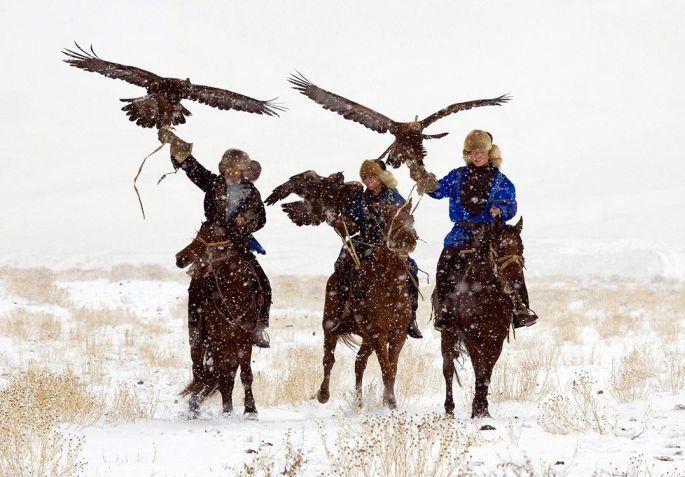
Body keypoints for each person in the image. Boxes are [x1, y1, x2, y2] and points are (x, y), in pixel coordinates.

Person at [158, 129, 272, 352]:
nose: (230, 173)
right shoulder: (212, 183)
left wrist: (245, 220)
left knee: (263, 283)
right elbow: (193, 169)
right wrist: (175, 144)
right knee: (196, 288)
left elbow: (261, 218)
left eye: (235, 170)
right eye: (227, 168)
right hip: (210, 245)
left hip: (237, 245)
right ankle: (196, 332)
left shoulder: (252, 193)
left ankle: (259, 327)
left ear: (243, 172)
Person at [428, 129, 538, 330]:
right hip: (460, 235)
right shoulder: (457, 176)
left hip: (490, 234)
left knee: (512, 263)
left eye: (481, 152)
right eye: (472, 152)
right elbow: (436, 191)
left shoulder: (501, 181)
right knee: (444, 266)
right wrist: (425, 180)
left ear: (490, 153)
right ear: (467, 154)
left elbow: (511, 205)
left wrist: (501, 209)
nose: (476, 156)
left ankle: (519, 308)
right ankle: (445, 309)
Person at [328, 159, 423, 339]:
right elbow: (352, 223)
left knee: (412, 269)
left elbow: (405, 220)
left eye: (373, 177)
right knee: (341, 264)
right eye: (365, 178)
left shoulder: (394, 197)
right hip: (363, 243)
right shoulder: (359, 200)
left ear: (381, 177)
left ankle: (411, 317)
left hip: (388, 245)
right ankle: (343, 311)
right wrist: (339, 223)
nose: (369, 181)